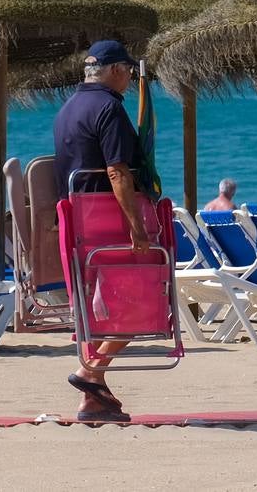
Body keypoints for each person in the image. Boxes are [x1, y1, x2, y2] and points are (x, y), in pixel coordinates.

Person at [52, 39, 154, 423]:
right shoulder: (109, 108)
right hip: (108, 221)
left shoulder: (68, 108)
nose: (129, 79)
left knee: (96, 309)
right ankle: (90, 371)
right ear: (115, 70)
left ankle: (93, 399)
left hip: (78, 223)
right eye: (127, 72)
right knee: (139, 301)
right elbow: (117, 171)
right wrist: (137, 226)